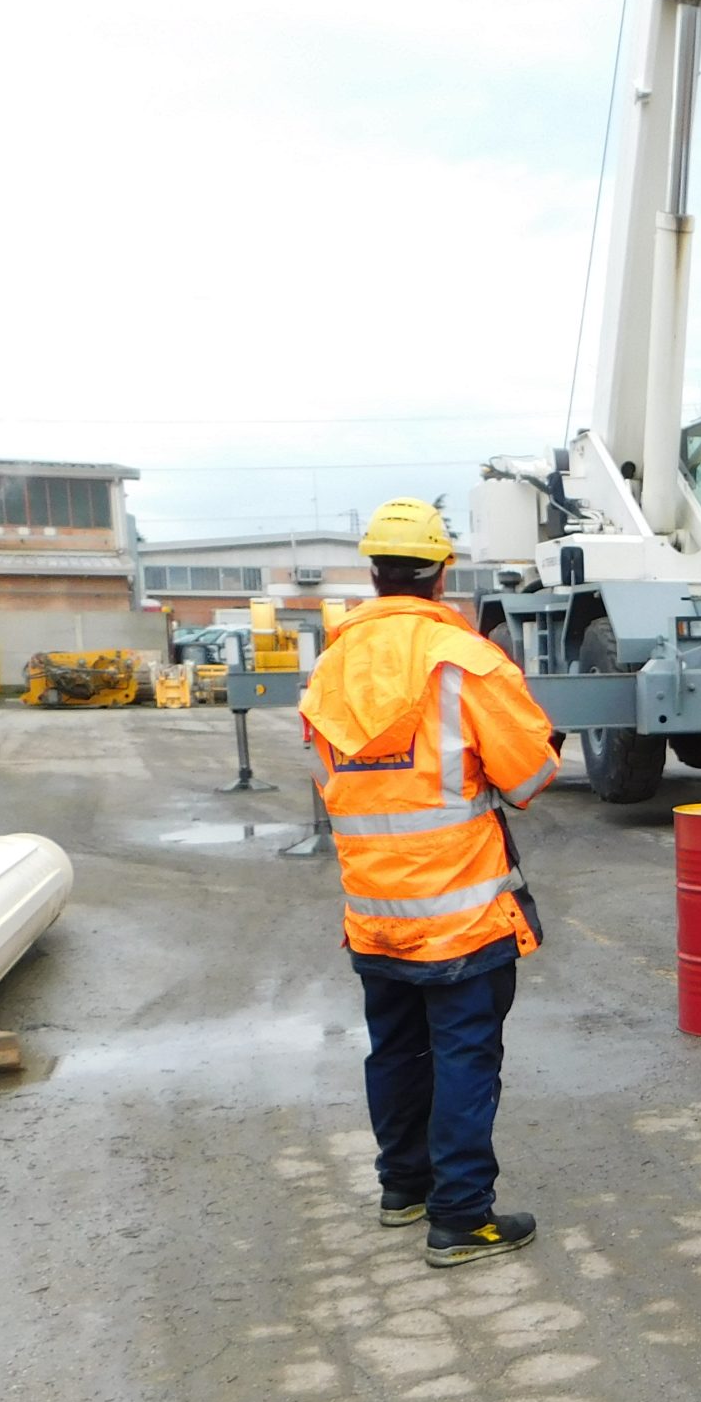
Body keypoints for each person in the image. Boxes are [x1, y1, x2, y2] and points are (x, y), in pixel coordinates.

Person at [298, 498, 560, 1269]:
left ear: (374, 573)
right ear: (442, 572)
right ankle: (460, 1218)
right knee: (465, 1058)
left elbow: (328, 781)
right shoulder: (465, 661)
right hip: (463, 914)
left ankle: (402, 1188)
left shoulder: (331, 665)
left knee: (396, 1052)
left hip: (374, 911)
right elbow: (533, 774)